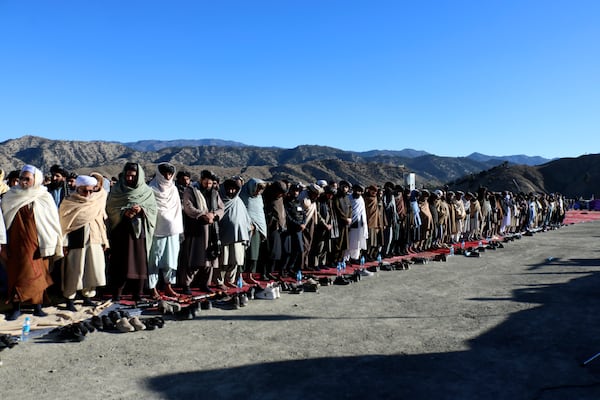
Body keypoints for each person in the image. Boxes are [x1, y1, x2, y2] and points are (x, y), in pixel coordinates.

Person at [1, 165, 63, 320]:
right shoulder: (10, 196)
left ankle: (38, 306)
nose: (23, 181)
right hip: (16, 243)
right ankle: (16, 306)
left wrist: (53, 240)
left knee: (39, 273)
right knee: (18, 274)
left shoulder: (44, 196)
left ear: (36, 179)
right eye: (21, 178)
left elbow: (51, 221)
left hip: (38, 243)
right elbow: (4, 220)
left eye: (27, 179)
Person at [106, 162, 157, 302]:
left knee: (139, 263)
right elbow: (110, 208)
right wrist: (124, 212)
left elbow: (153, 210)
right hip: (121, 231)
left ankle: (138, 294)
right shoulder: (117, 190)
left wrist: (141, 210)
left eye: (133, 176)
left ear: (139, 177)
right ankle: (117, 294)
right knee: (120, 263)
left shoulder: (146, 192)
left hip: (139, 233)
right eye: (127, 175)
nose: (129, 178)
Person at [58, 175, 109, 311]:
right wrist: (64, 244)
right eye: (84, 191)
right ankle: (70, 298)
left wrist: (104, 240)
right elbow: (64, 224)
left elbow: (100, 221)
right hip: (75, 241)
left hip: (94, 239)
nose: (88, 194)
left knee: (92, 269)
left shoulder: (95, 202)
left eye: (91, 191)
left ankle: (88, 296)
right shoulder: (69, 202)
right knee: (74, 270)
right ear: (78, 188)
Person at [180, 169, 224, 294]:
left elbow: (222, 207)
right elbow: (188, 207)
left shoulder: (215, 193)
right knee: (193, 258)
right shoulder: (191, 191)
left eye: (210, 184)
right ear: (201, 180)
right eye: (206, 183)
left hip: (212, 229)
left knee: (210, 258)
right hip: (196, 228)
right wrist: (202, 215)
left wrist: (214, 215)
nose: (208, 186)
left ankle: (205, 283)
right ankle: (186, 284)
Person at [148, 163, 183, 299]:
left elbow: (177, 210)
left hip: (173, 230)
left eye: (170, 174)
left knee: (171, 260)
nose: (167, 176)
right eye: (165, 174)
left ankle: (168, 286)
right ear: (159, 174)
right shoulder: (151, 189)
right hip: (157, 230)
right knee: (154, 260)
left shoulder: (173, 189)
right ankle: (153, 288)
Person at [217, 178, 252, 288]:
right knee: (224, 260)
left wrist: (249, 226)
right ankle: (220, 281)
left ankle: (230, 280)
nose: (231, 192)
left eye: (234, 189)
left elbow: (245, 217)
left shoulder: (239, 201)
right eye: (229, 189)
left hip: (239, 235)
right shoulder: (219, 200)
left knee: (235, 260)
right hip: (224, 235)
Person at [239, 178, 267, 284]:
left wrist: (258, 226)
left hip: (257, 229)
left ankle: (250, 274)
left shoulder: (259, 198)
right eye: (257, 189)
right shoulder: (242, 195)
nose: (258, 192)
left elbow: (259, 213)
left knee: (253, 254)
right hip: (245, 229)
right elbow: (242, 211)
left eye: (261, 190)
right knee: (244, 254)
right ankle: (240, 275)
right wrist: (248, 224)